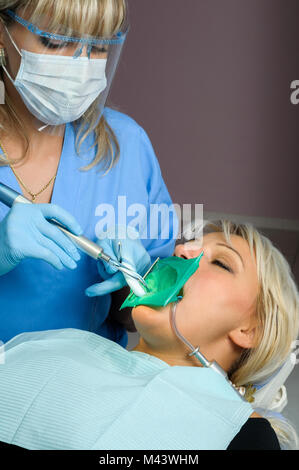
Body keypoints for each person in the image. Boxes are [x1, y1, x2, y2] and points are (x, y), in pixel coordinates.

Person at [0, 219, 298, 450]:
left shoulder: (242, 433)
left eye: (221, 263)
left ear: (249, 330)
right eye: (185, 246)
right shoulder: (59, 344)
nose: (181, 251)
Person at [0, 1, 177, 348]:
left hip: (86, 388)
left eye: (98, 47)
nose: (79, 67)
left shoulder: (127, 146)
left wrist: (134, 283)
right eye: (55, 42)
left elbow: (144, 317)